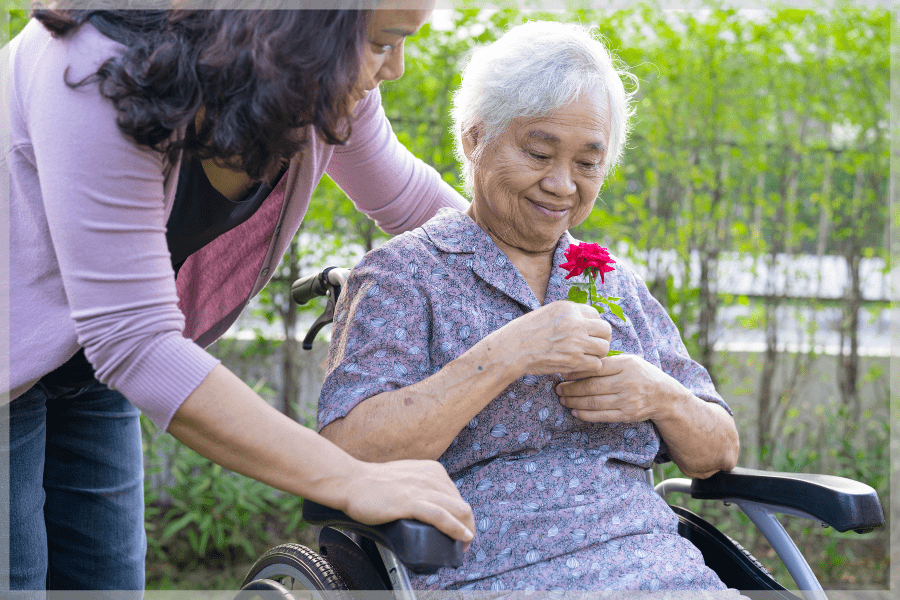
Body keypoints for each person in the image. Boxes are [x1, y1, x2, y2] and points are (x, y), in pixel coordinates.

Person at [2, 2, 475, 592]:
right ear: (303, 29)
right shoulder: (100, 67)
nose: (397, 68)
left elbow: (414, 203)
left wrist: (580, 273)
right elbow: (139, 343)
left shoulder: (318, 93)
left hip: (91, 365)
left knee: (105, 582)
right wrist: (351, 479)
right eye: (383, 42)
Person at [317, 20, 741, 591]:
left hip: (658, 570)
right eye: (539, 152)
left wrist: (659, 393)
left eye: (588, 164)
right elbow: (348, 453)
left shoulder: (609, 281)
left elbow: (719, 450)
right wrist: (511, 351)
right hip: (497, 573)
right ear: (474, 139)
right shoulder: (406, 276)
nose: (563, 185)